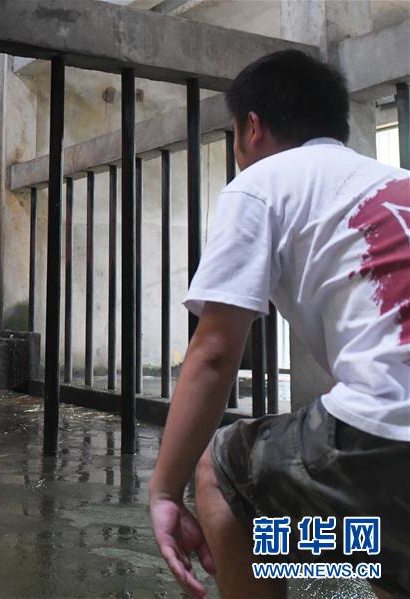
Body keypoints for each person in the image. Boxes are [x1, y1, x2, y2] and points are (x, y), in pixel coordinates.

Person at [149, 49, 410, 599]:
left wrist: (164, 493)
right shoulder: (397, 180)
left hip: (387, 431)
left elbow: (216, 353)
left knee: (223, 474)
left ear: (251, 126)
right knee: (377, 536)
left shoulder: (263, 181)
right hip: (390, 462)